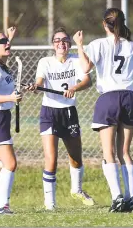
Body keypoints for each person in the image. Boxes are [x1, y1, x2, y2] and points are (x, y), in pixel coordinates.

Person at [73, 8, 133, 212]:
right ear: (123, 23)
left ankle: (117, 197)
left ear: (104, 24)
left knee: (109, 152)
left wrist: (79, 46)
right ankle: (131, 197)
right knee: (125, 152)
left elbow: (85, 68)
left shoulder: (97, 44)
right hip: (130, 98)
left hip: (108, 98)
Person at [25, 27, 94, 210]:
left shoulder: (76, 61)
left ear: (69, 44)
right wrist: (35, 87)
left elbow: (88, 81)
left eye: (64, 40)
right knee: (51, 159)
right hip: (49, 113)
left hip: (69, 112)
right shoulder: (45, 62)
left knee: (76, 158)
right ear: (53, 44)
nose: (61, 43)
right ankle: (50, 204)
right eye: (57, 40)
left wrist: (74, 88)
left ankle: (77, 190)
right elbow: (39, 83)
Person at [0, 27, 21, 214]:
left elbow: (3, 50)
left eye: (7, 41)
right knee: (10, 163)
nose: (7, 44)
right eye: (2, 42)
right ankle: (3, 207)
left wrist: (9, 38)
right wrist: (10, 99)